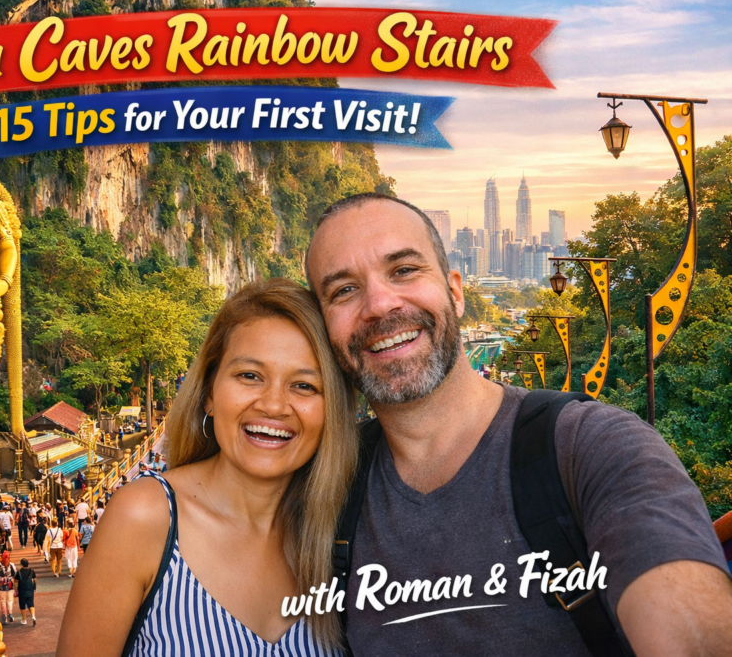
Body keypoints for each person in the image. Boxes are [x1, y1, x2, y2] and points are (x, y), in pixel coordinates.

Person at [304, 192, 732, 655]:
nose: (379, 305)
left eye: (404, 270)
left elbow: (690, 628)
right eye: (343, 290)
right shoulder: (326, 486)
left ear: (455, 290)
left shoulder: (591, 449)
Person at [58, 279, 356, 656]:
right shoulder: (146, 518)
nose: (274, 405)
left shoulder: (341, 532)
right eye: (250, 376)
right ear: (209, 393)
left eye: (305, 386)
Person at [15, 558, 37, 626]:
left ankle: (24, 620)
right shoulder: (32, 571)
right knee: (31, 604)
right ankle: (33, 616)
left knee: (22, 606)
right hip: (30, 590)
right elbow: (35, 580)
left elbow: (16, 583)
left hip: (22, 591)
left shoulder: (18, 572)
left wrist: (15, 590)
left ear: (21, 564)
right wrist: (34, 587)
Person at [0, 552, 17, 624]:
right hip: (3, 587)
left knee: (8, 601)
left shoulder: (11, 565)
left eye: (7, 558)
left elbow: (15, 575)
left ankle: (8, 615)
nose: (6, 560)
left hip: (9, 586)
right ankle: (6, 615)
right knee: (5, 601)